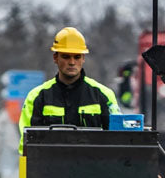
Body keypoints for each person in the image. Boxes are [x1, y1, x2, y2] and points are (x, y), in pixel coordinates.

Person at [18, 26, 121, 154]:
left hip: (94, 171)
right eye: (66, 57)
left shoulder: (104, 96)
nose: (72, 62)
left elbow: (118, 142)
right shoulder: (37, 97)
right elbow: (27, 146)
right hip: (50, 171)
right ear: (55, 58)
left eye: (77, 57)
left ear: (83, 58)